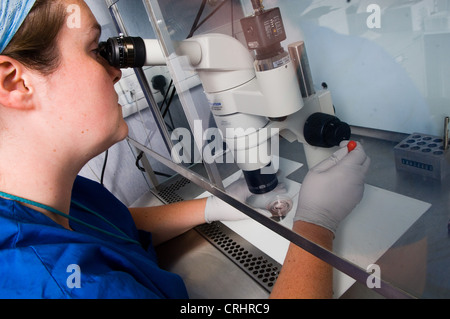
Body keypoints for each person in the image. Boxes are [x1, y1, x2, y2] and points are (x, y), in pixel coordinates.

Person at [0, 0, 370, 299]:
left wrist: (215, 206)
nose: (116, 72)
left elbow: (115, 225)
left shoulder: (51, 199)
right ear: (14, 82)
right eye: (95, 51)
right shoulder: (63, 287)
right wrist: (316, 225)